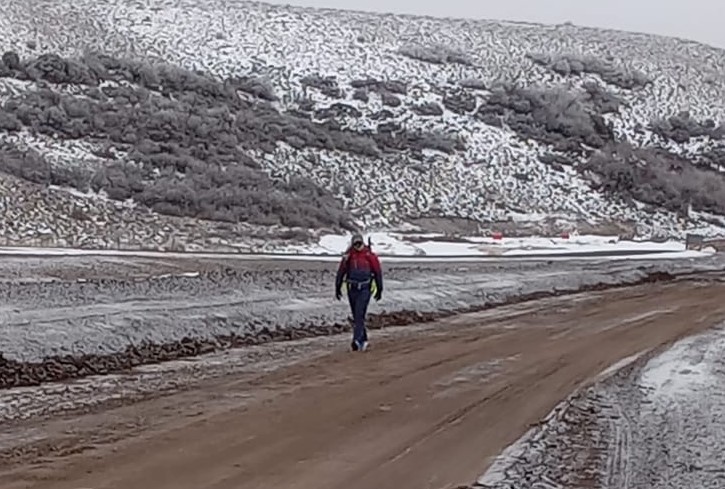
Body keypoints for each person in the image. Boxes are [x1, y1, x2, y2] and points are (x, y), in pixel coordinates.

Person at [335, 233, 383, 352]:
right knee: (357, 316)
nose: (357, 246)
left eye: (359, 243)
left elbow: (378, 273)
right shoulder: (348, 257)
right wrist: (337, 287)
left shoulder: (370, 256)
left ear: (363, 243)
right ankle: (363, 340)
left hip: (365, 289)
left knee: (359, 314)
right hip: (352, 289)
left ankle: (356, 340)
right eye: (355, 244)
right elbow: (341, 272)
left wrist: (379, 289)